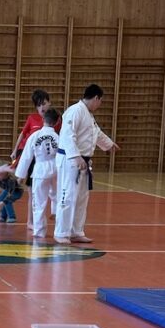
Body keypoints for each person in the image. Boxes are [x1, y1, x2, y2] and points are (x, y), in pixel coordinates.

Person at [54, 84, 119, 245]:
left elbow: (96, 133)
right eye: (100, 101)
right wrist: (76, 156)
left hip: (83, 161)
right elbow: (67, 135)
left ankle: (76, 231)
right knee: (68, 196)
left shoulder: (88, 115)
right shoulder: (75, 111)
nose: (100, 104)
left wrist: (108, 144)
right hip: (70, 160)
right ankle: (61, 232)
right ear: (96, 98)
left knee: (81, 198)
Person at [14, 108, 60, 239]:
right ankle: (58, 223)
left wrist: (20, 175)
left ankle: (39, 231)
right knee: (57, 197)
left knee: (39, 202)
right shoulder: (58, 137)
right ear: (57, 122)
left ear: (43, 120)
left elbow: (26, 156)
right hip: (56, 169)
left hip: (40, 169)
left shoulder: (35, 136)